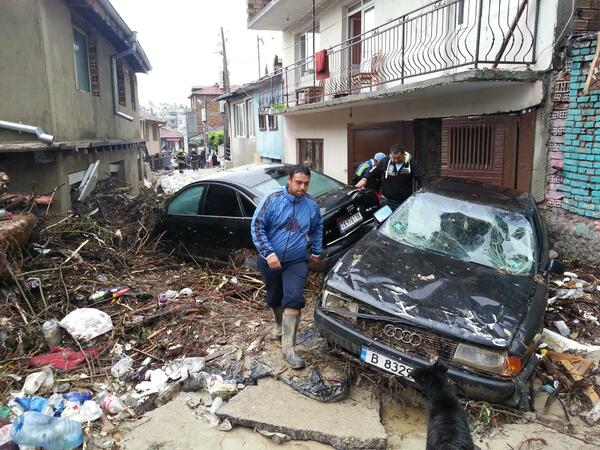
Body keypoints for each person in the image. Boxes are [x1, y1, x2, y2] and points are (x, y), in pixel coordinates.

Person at [251, 165, 323, 369]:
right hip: (270, 260)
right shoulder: (272, 199)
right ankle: (279, 323)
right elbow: (257, 226)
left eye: (306, 184)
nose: (302, 187)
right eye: (298, 182)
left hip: (297, 260)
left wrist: (316, 251)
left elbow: (317, 227)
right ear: (289, 180)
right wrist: (269, 253)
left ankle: (289, 349)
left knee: (294, 298)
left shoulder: (310, 203)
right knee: (274, 297)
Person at [356, 144, 428, 210]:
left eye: (398, 158)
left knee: (401, 223)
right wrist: (364, 179)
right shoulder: (386, 161)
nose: (395, 160)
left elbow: (422, 177)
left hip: (404, 202)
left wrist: (424, 188)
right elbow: (374, 171)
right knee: (383, 222)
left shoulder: (411, 163)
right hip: (387, 201)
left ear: (403, 155)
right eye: (393, 158)